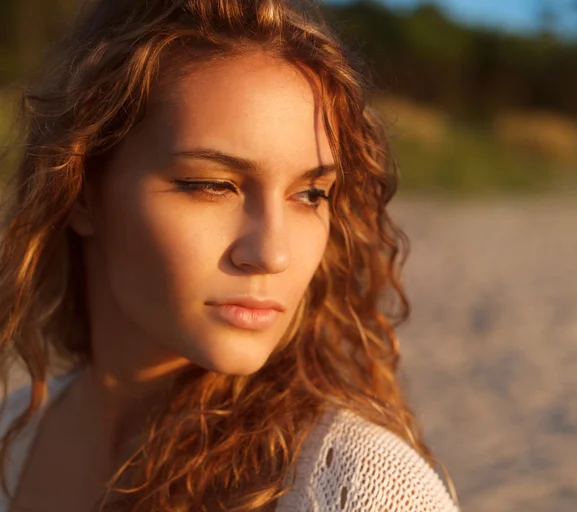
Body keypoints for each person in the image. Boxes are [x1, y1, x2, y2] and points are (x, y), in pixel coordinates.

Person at [0, 0, 459, 510]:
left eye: (311, 194)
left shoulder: (360, 487)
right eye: (212, 185)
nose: (272, 254)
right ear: (82, 191)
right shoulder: (11, 434)